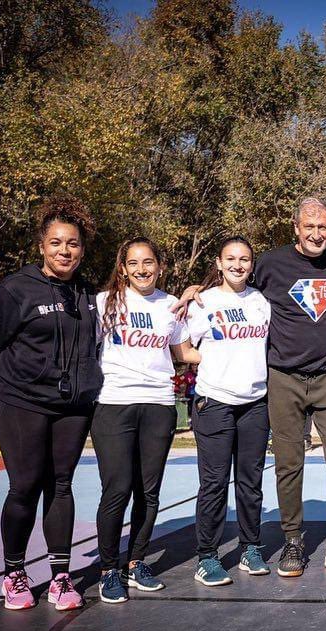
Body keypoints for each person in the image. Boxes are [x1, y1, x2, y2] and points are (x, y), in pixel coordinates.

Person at [178, 198, 326, 577]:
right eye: (308, 226)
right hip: (282, 378)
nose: (316, 233)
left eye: (323, 227)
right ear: (295, 228)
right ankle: (293, 540)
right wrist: (199, 287)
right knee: (288, 465)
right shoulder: (271, 264)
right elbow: (235, 286)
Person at [0, 194, 102, 611]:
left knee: (60, 486)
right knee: (25, 486)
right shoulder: (14, 289)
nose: (65, 251)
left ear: (82, 248)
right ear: (41, 247)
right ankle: (14, 573)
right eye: (56, 243)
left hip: (72, 407)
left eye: (73, 244)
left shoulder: (87, 292)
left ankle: (61, 577)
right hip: (20, 403)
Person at [93, 238, 196, 603]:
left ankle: (136, 563)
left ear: (160, 266)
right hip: (115, 405)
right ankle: (108, 570)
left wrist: (238, 350)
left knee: (148, 491)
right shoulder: (103, 303)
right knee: (117, 488)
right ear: (122, 268)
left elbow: (184, 352)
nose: (142, 269)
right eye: (134, 263)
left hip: (158, 405)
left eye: (148, 262)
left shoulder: (171, 305)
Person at [186, 236, 271, 587]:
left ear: (252, 265)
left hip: (255, 403)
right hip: (215, 402)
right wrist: (214, 362)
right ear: (219, 263)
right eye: (231, 258)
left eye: (245, 259)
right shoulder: (203, 301)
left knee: (251, 484)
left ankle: (251, 548)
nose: (238, 264)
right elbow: (181, 346)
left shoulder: (262, 301)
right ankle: (207, 556)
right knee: (214, 484)